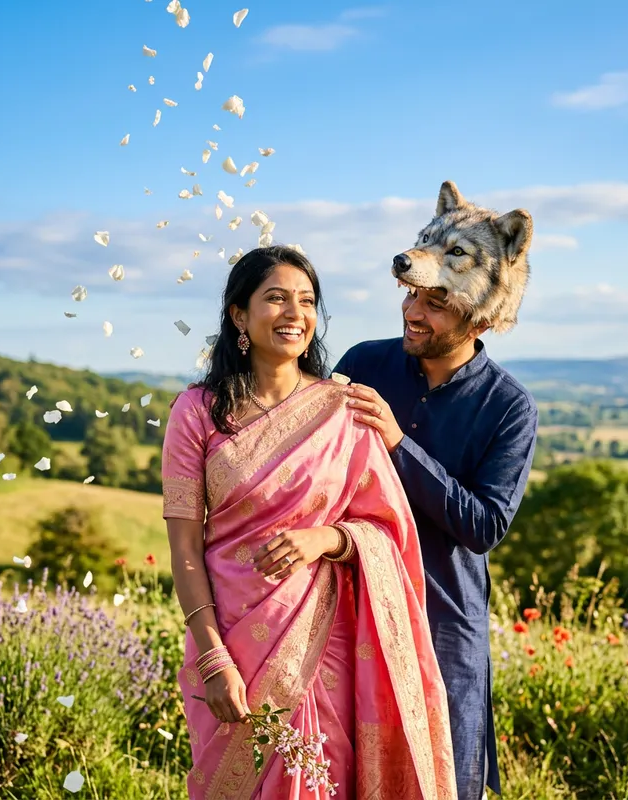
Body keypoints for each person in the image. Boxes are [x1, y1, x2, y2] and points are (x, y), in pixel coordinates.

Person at [162, 246, 457, 799]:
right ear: (239, 315)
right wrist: (212, 655)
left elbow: (390, 532)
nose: (295, 313)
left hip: (324, 649)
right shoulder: (197, 412)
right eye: (276, 298)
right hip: (230, 641)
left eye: (306, 300)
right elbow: (183, 547)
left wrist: (326, 538)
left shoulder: (344, 409)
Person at [332, 277, 538, 798]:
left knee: (443, 777)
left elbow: (484, 525)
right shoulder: (364, 363)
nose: (412, 311)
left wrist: (398, 443)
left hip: (443, 621)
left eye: (436, 304)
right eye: (411, 295)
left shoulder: (509, 406)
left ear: (482, 321)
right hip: (353, 608)